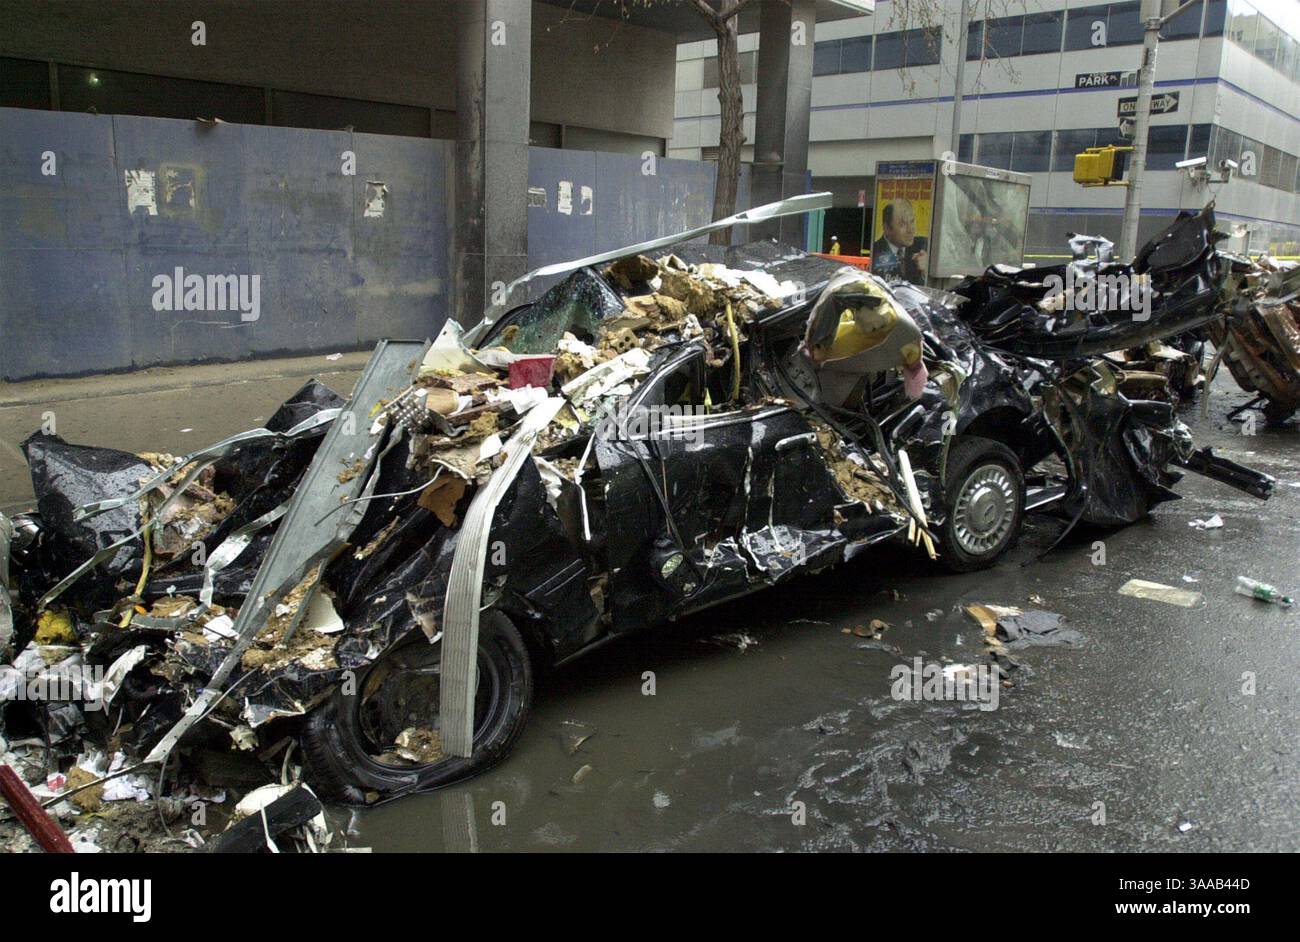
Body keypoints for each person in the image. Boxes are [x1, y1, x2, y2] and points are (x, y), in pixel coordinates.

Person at [871, 198, 929, 284]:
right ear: (887, 228)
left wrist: (926, 272)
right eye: (903, 224)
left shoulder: (923, 245)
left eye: (912, 221)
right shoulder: (874, 251)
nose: (911, 230)